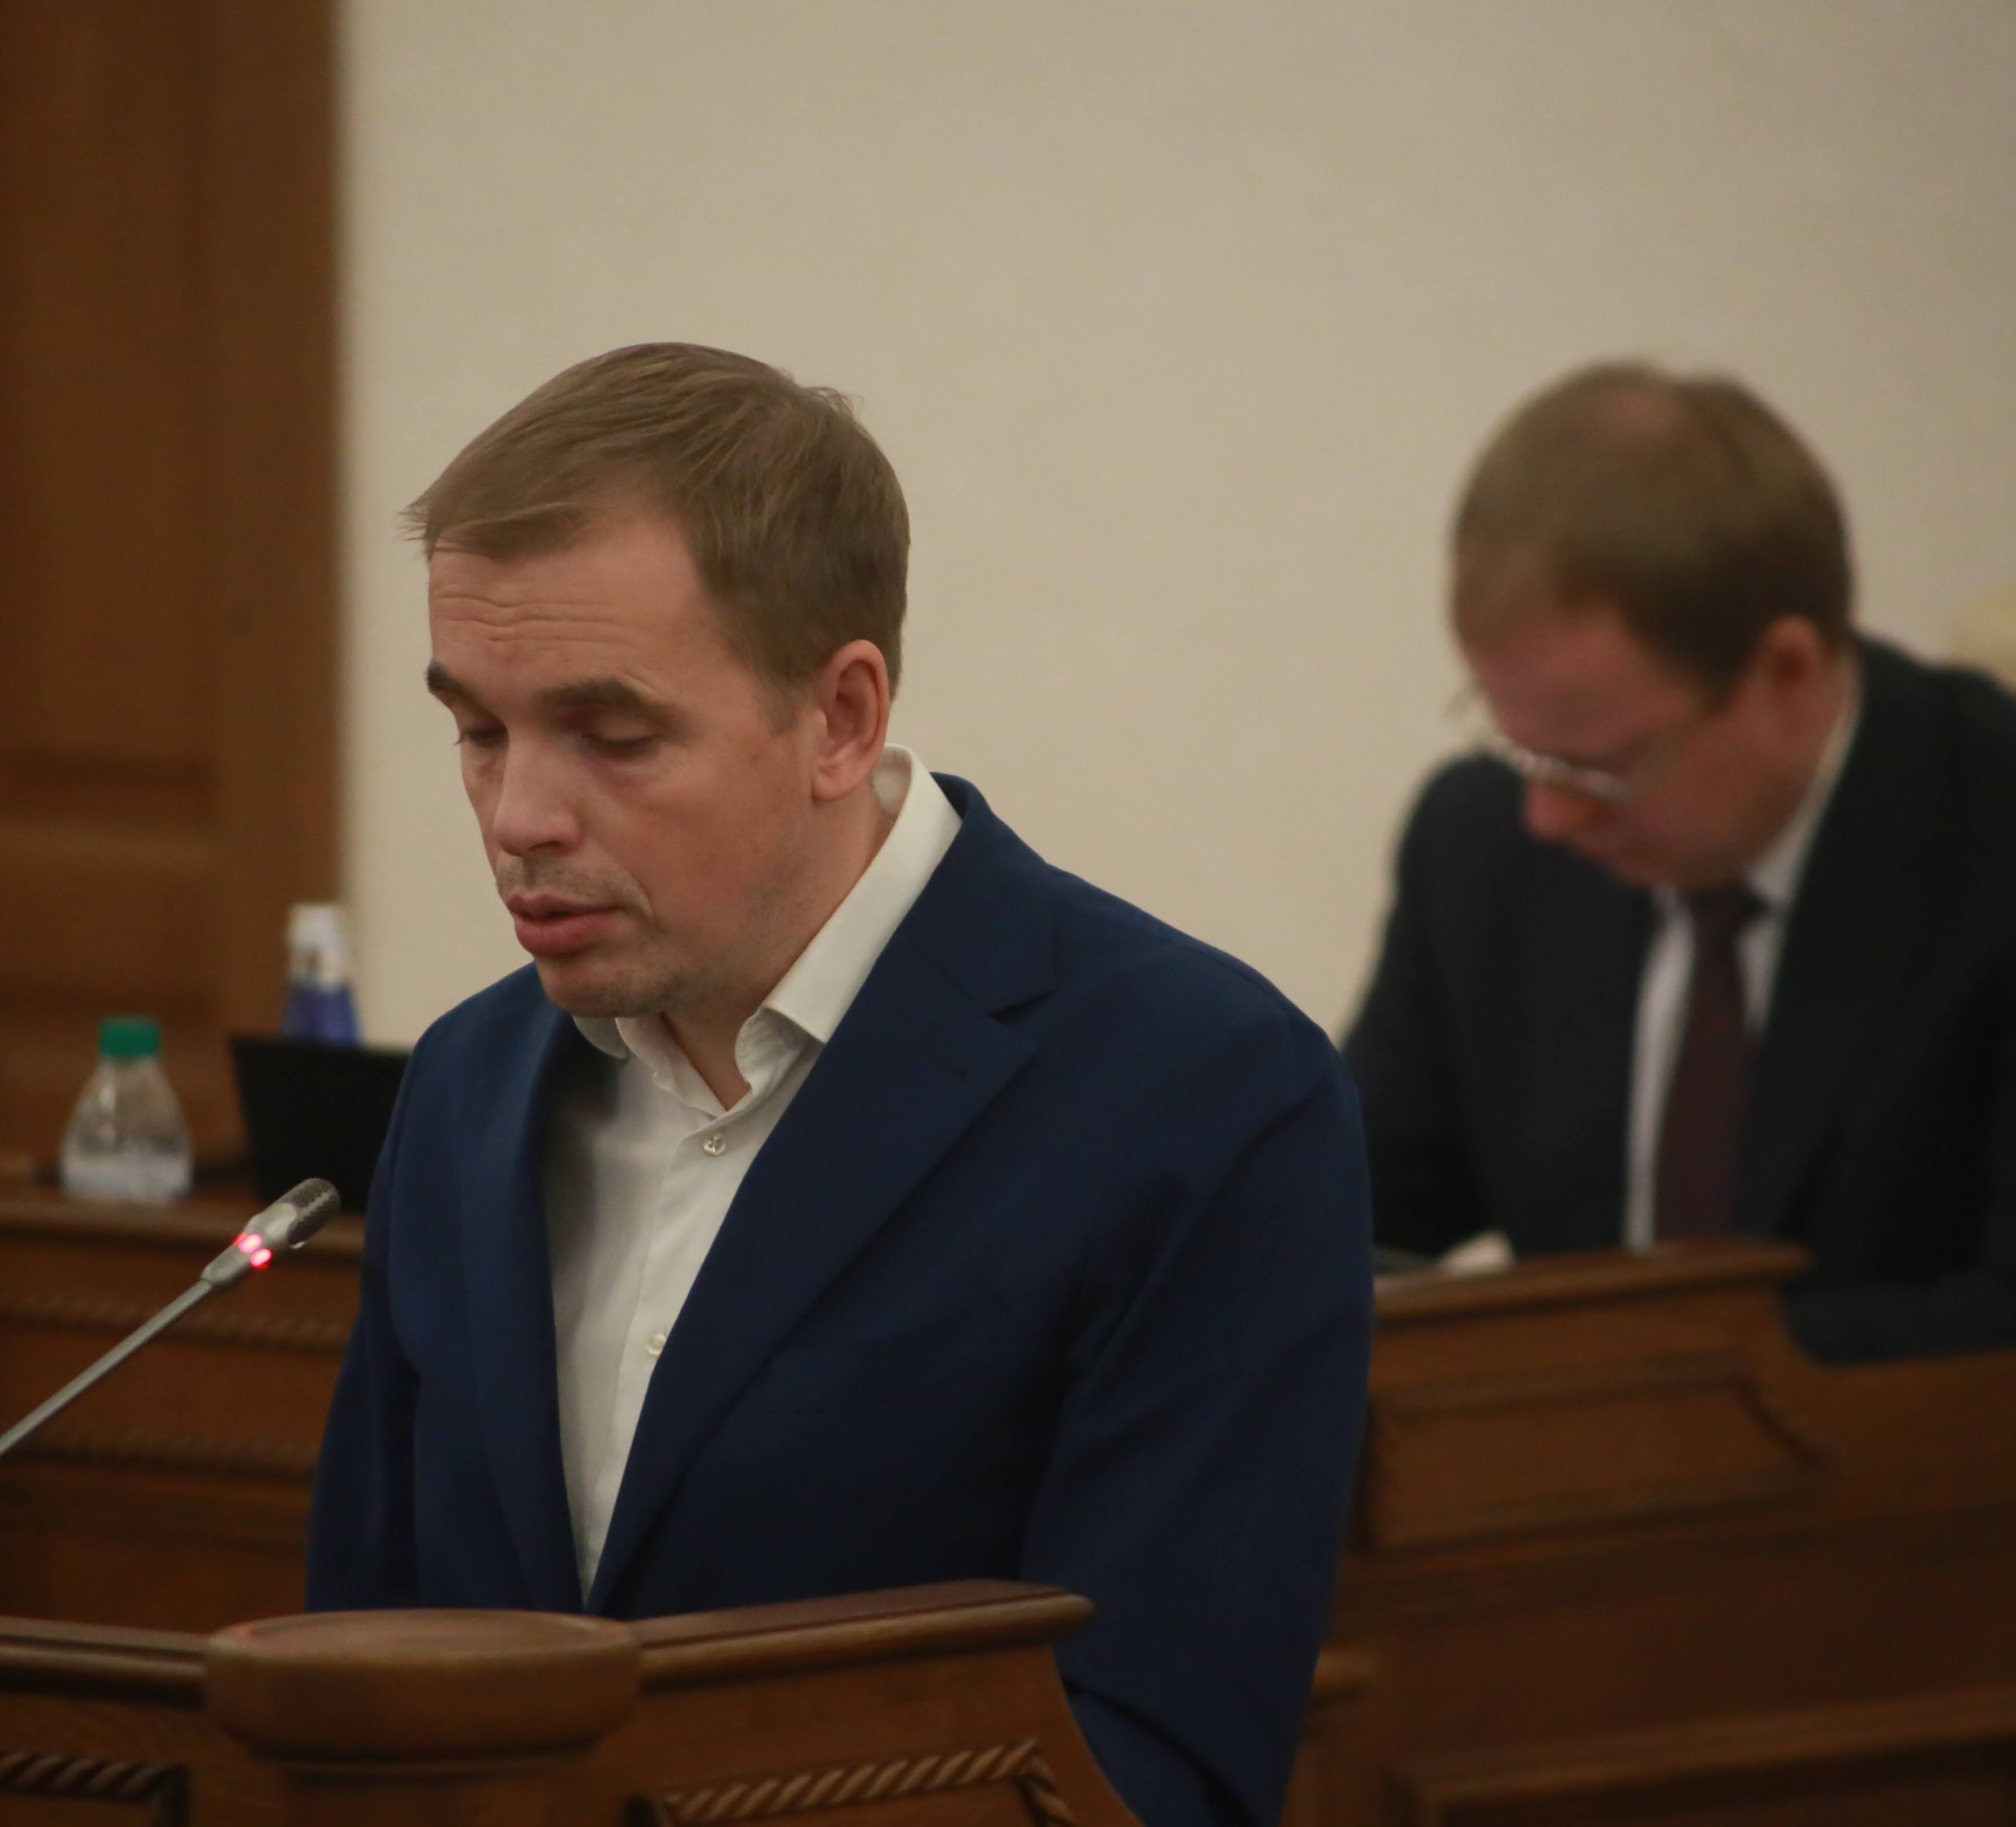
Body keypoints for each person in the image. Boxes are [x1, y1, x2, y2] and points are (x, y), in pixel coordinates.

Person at [307, 342, 1372, 1827]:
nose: (518, 815)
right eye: (478, 732)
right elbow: (361, 1664)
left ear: (842, 718)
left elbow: (1154, 1759)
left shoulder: (1203, 1094)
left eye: (613, 737)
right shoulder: (469, 1083)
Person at [1343, 362, 2016, 1825]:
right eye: (1517, 744)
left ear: (1786, 672)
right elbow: (1351, 1199)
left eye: (1598, 762)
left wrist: (1598, 1397)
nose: (1547, 813)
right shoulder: (1485, 845)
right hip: (1626, 1620)